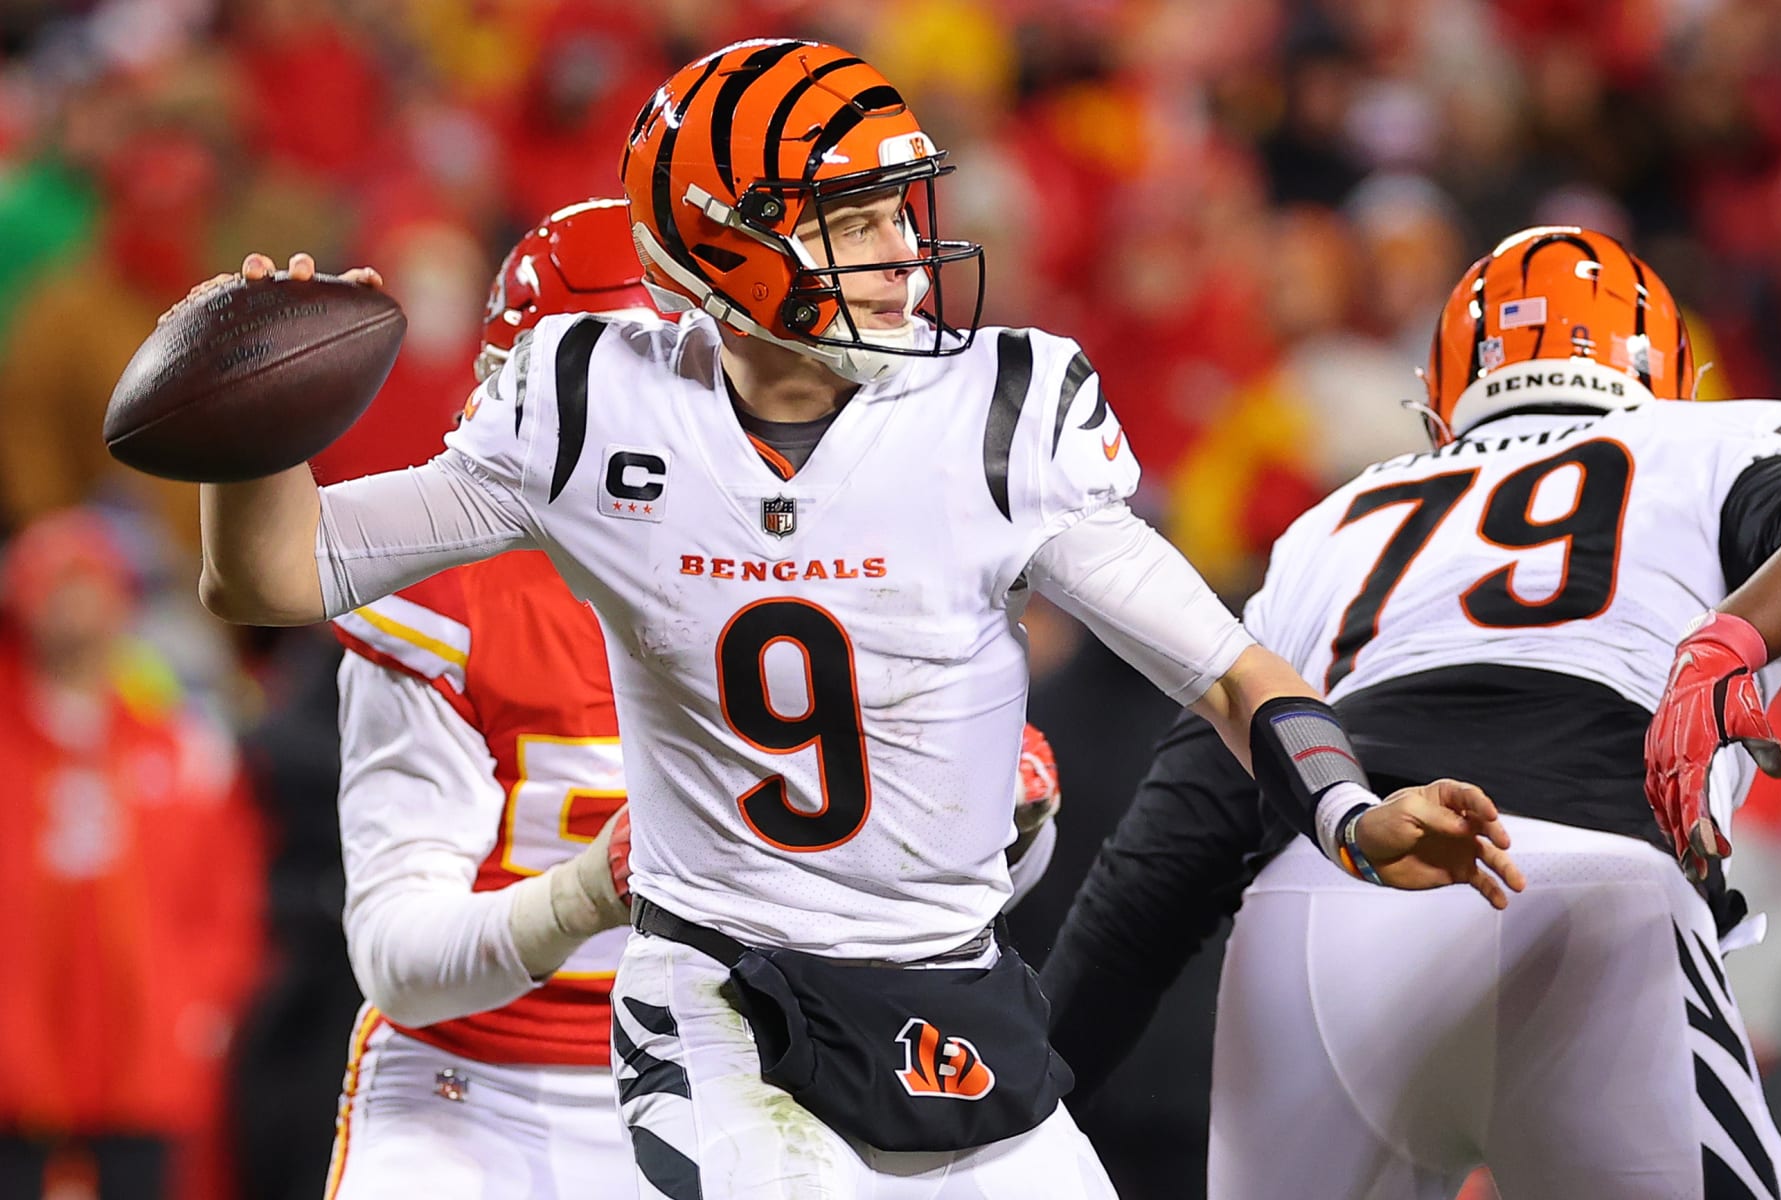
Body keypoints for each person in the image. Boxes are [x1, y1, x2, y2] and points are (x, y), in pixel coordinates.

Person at [173, 41, 1519, 1196]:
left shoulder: (998, 421)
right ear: (724, 238)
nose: (905, 256)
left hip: (957, 991)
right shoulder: (592, 405)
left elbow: (1225, 670)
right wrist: (256, 429)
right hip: (724, 1001)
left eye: (901, 214)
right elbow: (278, 576)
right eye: (856, 222)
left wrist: (1350, 813)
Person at [321, 195, 1070, 1199]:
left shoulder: (835, 561)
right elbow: (397, 962)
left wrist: (1000, 828)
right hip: (481, 1088)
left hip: (742, 1067)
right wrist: (590, 892)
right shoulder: (451, 607)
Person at [1043, 225, 1781, 1199]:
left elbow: (1159, 873)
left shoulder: (1338, 521)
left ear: (1441, 407)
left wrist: (1011, 1109)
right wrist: (1735, 637)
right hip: (1586, 882)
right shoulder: (1718, 439)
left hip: (1314, 929)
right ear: (1677, 379)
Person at [0, 509, 264, 1200]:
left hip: (142, 1067)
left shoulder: (180, 748)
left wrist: (194, 1006)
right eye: (56, 585)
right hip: (15, 1069)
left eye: (88, 583)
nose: (73, 605)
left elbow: (226, 899)